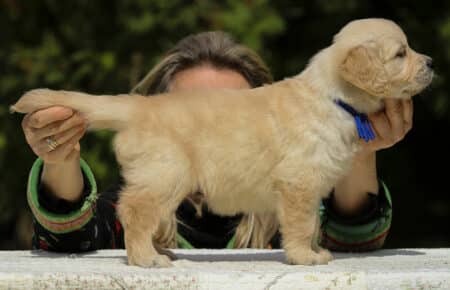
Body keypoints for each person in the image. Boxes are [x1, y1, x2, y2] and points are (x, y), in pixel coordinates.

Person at [21, 31, 411, 252]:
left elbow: (354, 242)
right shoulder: (139, 205)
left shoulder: (287, 208)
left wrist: (360, 147)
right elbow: (72, 238)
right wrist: (60, 158)